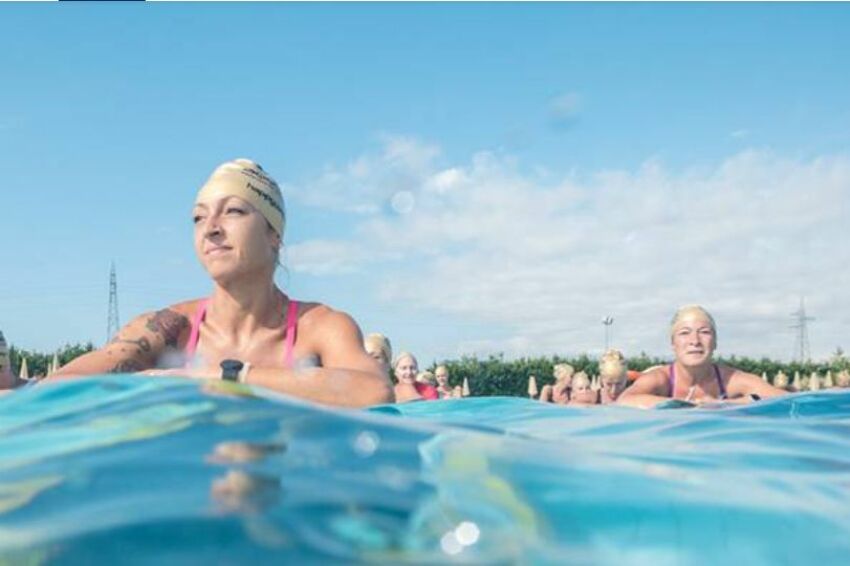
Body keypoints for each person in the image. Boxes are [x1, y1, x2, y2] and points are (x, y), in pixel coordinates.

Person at [39, 159, 392, 408]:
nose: (211, 228)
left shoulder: (318, 327)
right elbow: (57, 388)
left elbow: (374, 391)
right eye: (198, 217)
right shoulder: (171, 327)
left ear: (274, 234)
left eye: (234, 210)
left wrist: (221, 378)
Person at [617, 305, 787, 408]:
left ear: (715, 343)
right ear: (673, 344)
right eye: (684, 333)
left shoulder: (730, 379)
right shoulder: (661, 378)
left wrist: (724, 405)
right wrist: (686, 406)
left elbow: (783, 399)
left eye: (704, 332)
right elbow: (625, 401)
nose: (695, 341)